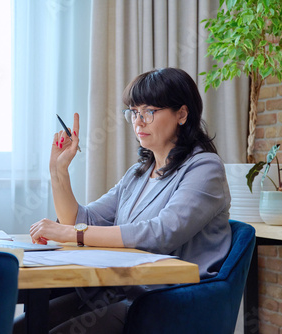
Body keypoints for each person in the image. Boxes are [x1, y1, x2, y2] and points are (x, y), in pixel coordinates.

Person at [13, 67, 232, 334]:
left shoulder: (204, 168)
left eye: (149, 112)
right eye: (134, 112)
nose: (139, 122)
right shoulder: (138, 173)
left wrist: (70, 233)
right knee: (16, 329)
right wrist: (58, 172)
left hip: (165, 301)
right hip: (119, 291)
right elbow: (83, 221)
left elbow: (161, 232)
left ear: (182, 114)